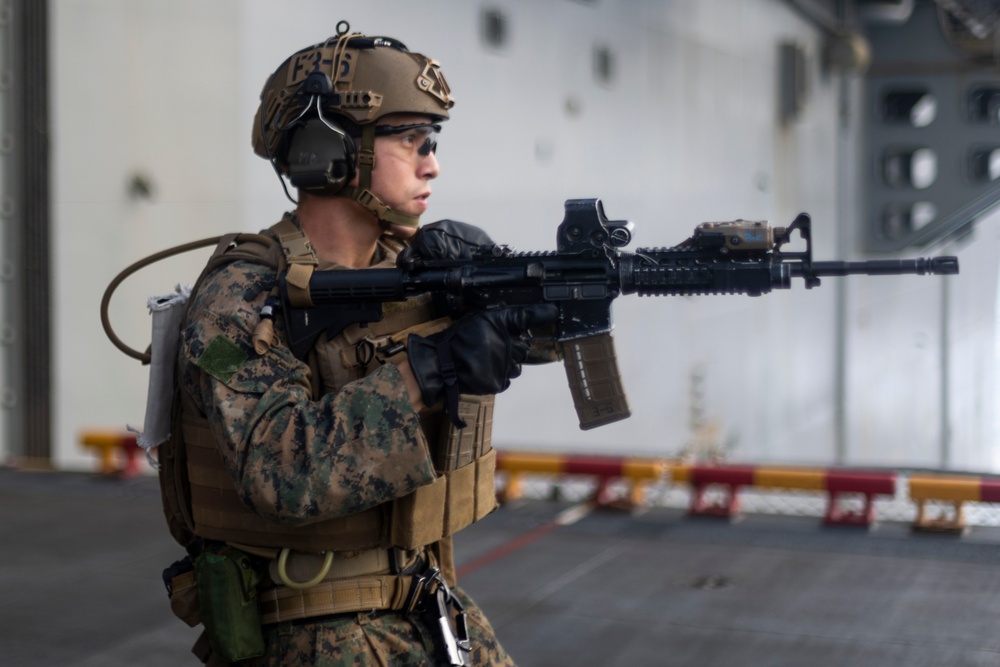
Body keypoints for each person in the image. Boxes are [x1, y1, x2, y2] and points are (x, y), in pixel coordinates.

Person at [164, 22, 555, 667]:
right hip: (313, 626)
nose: (432, 162)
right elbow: (279, 472)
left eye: (431, 140)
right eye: (409, 139)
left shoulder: (407, 267)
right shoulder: (238, 301)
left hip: (423, 598)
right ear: (330, 149)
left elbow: (517, 347)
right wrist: (428, 368)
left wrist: (522, 299)